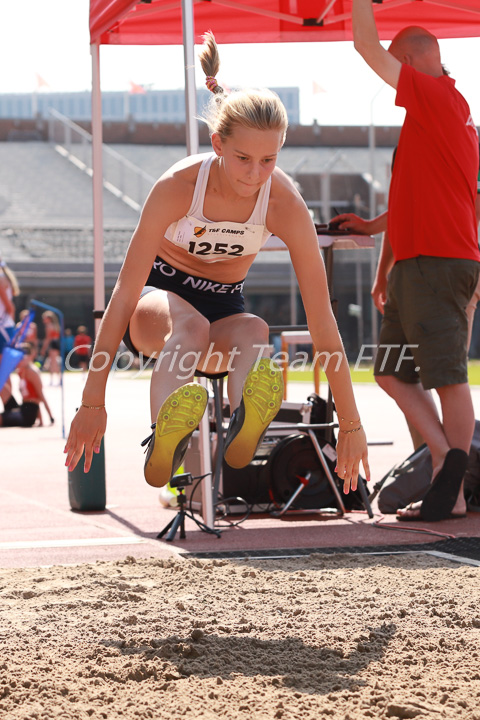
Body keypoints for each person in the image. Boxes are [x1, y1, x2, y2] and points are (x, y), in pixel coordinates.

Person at [64, 32, 369, 493]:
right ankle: (164, 441)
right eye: (243, 158)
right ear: (217, 143)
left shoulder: (284, 202)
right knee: (189, 326)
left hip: (223, 309)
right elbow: (124, 293)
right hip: (156, 306)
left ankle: (245, 423)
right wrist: (92, 401)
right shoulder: (179, 187)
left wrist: (350, 424)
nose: (255, 174)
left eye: (269, 160)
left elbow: (322, 317)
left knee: (255, 331)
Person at [347, 0, 480, 521]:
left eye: (397, 60)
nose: (392, 71)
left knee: (447, 377)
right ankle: (448, 464)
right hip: (417, 264)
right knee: (391, 372)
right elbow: (415, 198)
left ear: (411, 60)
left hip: (438, 263)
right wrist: (374, 236)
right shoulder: (433, 120)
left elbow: (364, 46)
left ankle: (452, 480)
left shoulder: (439, 101)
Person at [0, 343, 54, 427]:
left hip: (28, 414)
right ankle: (9, 414)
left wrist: (49, 417)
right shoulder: (20, 371)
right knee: (2, 385)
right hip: (22, 407)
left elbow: (40, 395)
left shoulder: (32, 372)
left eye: (21, 359)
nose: (18, 361)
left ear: (29, 357)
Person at [0, 257, 20, 398]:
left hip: (3, 327)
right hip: (5, 326)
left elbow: (9, 306)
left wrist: (10, 323)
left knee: (3, 369)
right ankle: (8, 404)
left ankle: (8, 404)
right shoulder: (4, 277)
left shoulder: (1, 279)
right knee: (4, 369)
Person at [40, 310, 61, 385]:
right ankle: (58, 379)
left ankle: (54, 379)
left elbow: (48, 339)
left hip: (52, 344)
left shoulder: (49, 326)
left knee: (53, 363)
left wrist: (43, 349)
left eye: (45, 318)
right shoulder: (56, 325)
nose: (43, 320)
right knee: (54, 362)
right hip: (56, 344)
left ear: (49, 319)